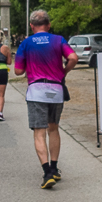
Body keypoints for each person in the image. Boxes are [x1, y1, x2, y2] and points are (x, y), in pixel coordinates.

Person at [13, 10, 77, 189]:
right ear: (48, 25)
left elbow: (18, 71)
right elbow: (73, 57)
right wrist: (63, 72)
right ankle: (55, 168)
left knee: (39, 131)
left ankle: (47, 172)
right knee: (53, 129)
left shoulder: (25, 43)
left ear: (32, 26)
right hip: (56, 90)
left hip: (36, 91)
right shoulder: (59, 40)